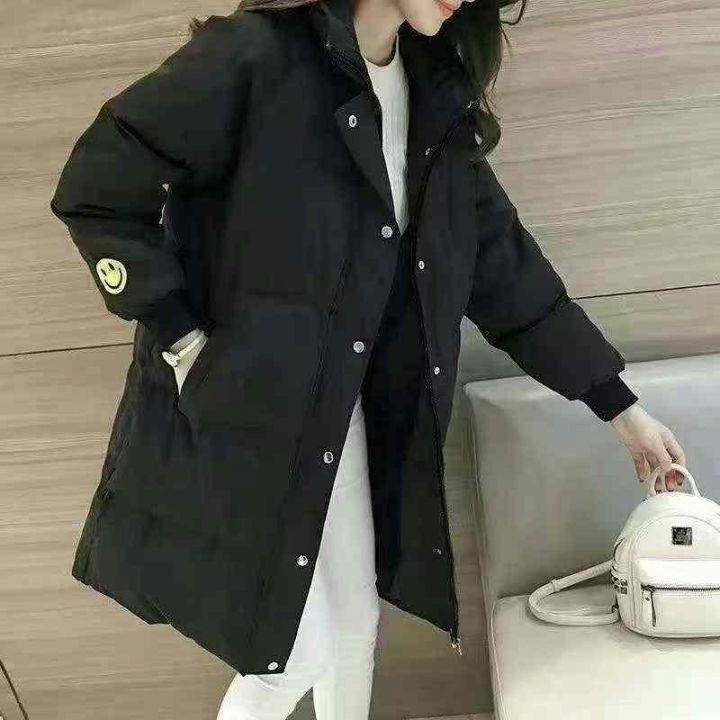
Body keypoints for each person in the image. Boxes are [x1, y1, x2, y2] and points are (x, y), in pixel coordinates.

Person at [49, 0, 688, 717]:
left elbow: (507, 271)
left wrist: (620, 409)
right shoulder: (256, 57)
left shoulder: (432, 95)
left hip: (344, 416)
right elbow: (97, 187)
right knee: (292, 655)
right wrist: (183, 339)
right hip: (238, 419)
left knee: (355, 629)